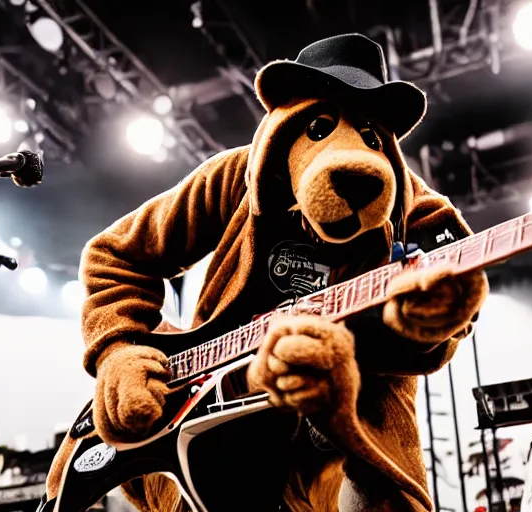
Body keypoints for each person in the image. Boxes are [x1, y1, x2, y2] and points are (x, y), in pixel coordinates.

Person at [45, 33, 488, 511]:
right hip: (219, 413)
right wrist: (119, 348)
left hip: (346, 413)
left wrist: (430, 320)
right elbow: (115, 254)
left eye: (368, 132)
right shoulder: (239, 175)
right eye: (318, 127)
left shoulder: (410, 202)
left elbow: (451, 299)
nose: (352, 153)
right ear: (285, 127)